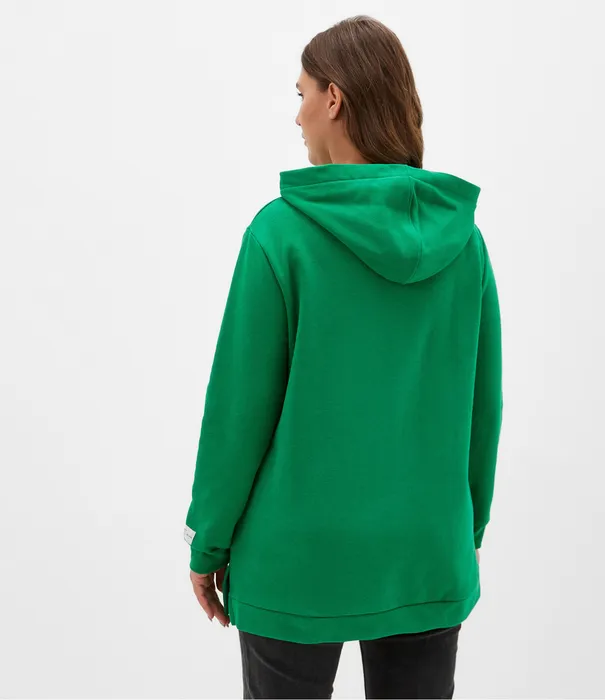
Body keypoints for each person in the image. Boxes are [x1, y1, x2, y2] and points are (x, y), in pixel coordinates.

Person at [184, 14, 503, 700]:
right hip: (424, 550)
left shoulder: (280, 234)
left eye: (301, 93)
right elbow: (483, 405)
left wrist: (209, 540)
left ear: (335, 98)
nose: (297, 114)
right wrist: (463, 529)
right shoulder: (464, 242)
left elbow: (239, 410)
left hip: (296, 558)